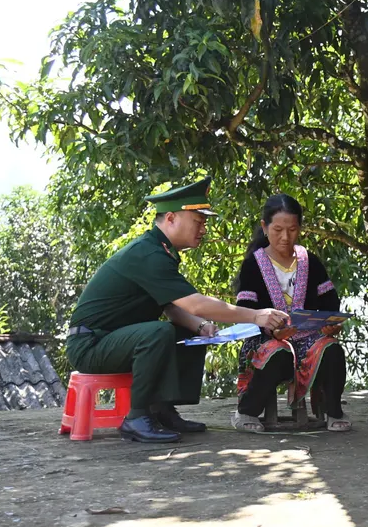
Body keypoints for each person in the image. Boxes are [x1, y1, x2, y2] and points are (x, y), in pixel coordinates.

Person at [66, 178, 290, 443]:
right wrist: (255, 315)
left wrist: (200, 326)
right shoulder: (148, 254)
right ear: (171, 218)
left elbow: (171, 306)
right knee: (158, 332)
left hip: (113, 340)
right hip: (91, 344)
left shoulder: (161, 252)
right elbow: (195, 304)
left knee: (185, 333)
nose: (203, 229)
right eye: (198, 222)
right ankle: (136, 418)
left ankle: (162, 409)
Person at [232, 194, 350, 433]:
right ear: (265, 227)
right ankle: (247, 411)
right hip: (265, 339)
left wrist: (331, 324)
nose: (285, 237)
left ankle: (334, 411)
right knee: (276, 353)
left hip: (308, 338)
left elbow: (330, 302)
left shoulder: (310, 262)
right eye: (278, 230)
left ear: (300, 228)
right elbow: (246, 309)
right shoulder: (253, 265)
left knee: (332, 349)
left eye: (292, 229)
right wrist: (270, 328)